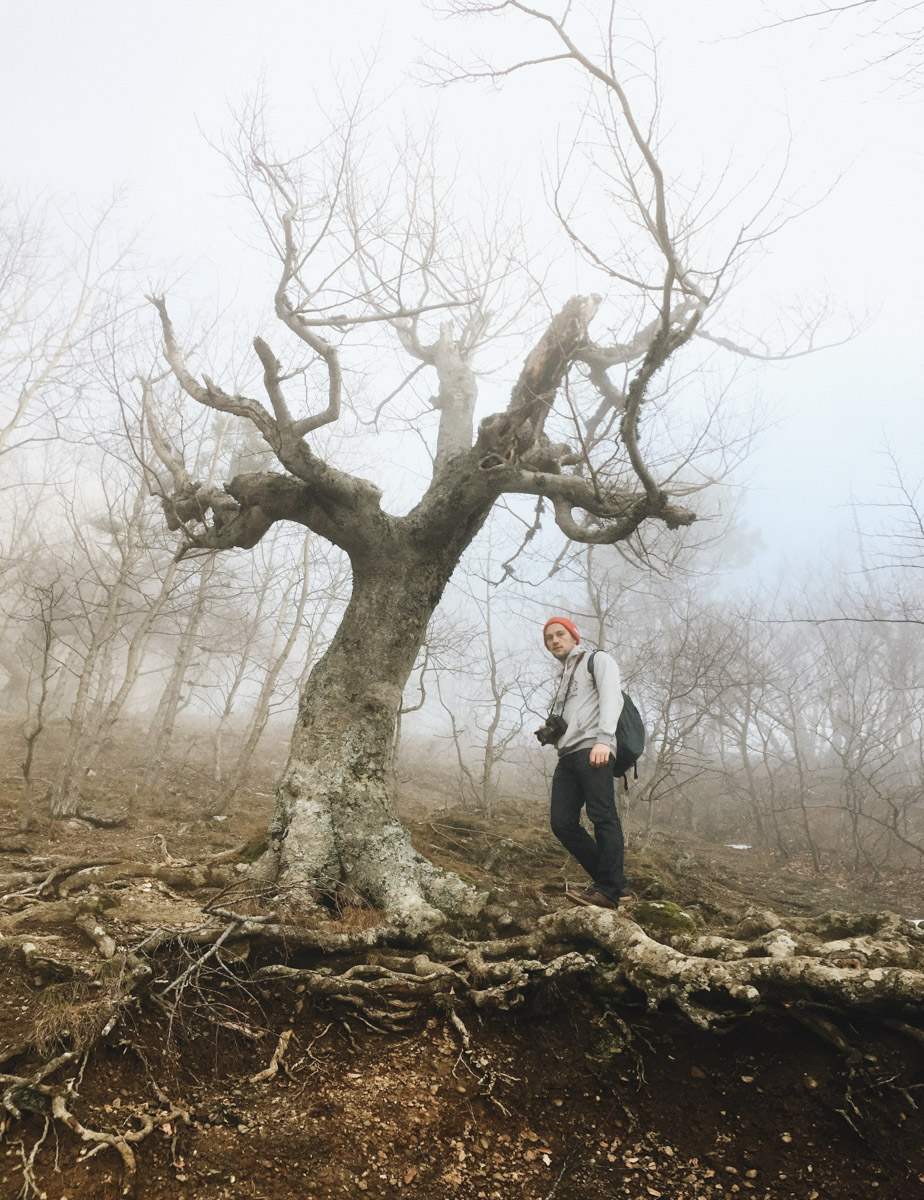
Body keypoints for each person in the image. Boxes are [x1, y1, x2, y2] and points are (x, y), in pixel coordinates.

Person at [537, 617, 628, 910]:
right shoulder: (564, 677)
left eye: (560, 634)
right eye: (549, 638)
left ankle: (608, 891)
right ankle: (615, 884)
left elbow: (613, 697)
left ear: (574, 636)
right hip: (568, 755)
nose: (554, 641)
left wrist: (604, 738)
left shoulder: (596, 660)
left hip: (594, 747)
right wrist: (551, 734)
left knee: (603, 817)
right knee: (562, 822)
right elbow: (572, 719)